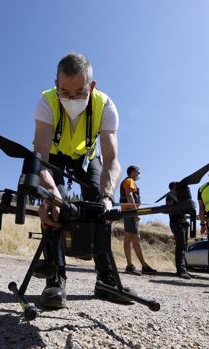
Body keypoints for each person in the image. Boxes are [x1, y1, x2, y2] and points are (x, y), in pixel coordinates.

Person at [33, 52, 132, 308]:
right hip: (53, 157)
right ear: (56, 84)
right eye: (64, 91)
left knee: (100, 209)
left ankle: (106, 280)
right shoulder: (46, 102)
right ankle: (55, 280)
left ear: (92, 86)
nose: (72, 98)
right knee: (56, 208)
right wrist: (52, 196)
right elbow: (40, 155)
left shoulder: (105, 105)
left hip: (88, 158)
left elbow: (111, 159)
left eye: (79, 91)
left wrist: (107, 196)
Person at [119, 165, 157, 276]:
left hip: (129, 212)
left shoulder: (129, 181)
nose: (139, 174)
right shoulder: (129, 180)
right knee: (131, 238)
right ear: (132, 172)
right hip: (130, 212)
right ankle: (131, 266)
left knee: (134, 238)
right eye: (137, 172)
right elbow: (129, 195)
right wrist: (135, 212)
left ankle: (142, 265)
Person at [165, 182, 191, 279]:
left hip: (181, 223)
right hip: (176, 223)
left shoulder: (177, 197)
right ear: (174, 188)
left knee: (182, 246)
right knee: (180, 246)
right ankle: (180, 270)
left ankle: (183, 269)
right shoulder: (170, 196)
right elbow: (169, 208)